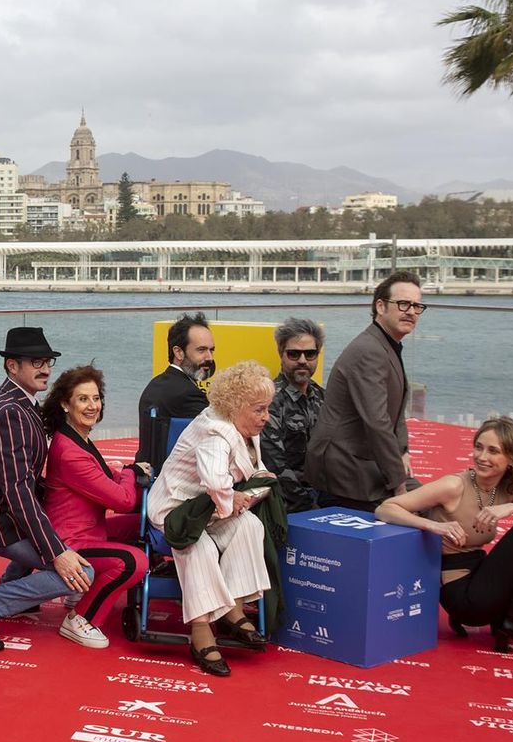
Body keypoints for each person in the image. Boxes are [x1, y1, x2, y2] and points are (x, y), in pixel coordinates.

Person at [375, 417, 513, 658]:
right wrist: (432, 526)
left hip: (485, 577)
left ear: (512, 459)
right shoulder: (454, 486)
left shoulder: (508, 488)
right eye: (479, 447)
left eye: (493, 451)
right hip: (462, 593)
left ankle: (508, 622)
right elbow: (386, 508)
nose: (482, 457)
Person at [0, 327, 98, 653]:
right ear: (12, 366)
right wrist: (57, 553)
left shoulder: (21, 401)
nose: (45, 369)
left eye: (47, 361)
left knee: (57, 537)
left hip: (1, 511)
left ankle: (15, 587)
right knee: (79, 571)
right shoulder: (10, 411)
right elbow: (17, 490)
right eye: (35, 362)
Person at [147, 361, 276, 677]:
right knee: (199, 546)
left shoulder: (244, 426)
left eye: (267, 408)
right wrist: (238, 497)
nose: (266, 417)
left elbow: (253, 467)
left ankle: (233, 609)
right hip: (177, 508)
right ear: (236, 406)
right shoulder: (216, 431)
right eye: (260, 409)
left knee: (250, 525)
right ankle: (201, 628)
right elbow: (217, 483)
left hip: (211, 508)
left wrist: (260, 480)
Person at [40, 365, 148, 647]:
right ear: (65, 404)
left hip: (90, 530)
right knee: (133, 562)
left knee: (142, 524)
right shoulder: (69, 450)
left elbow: (104, 475)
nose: (92, 406)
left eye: (96, 398)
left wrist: (128, 474)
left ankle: (82, 591)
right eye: (83, 399)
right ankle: (80, 619)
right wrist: (131, 472)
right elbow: (123, 501)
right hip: (71, 542)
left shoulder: (77, 436)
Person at [306, 271, 424, 510]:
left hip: (368, 462)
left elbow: (396, 412)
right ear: (380, 306)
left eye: (417, 306)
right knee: (420, 511)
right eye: (403, 304)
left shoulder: (386, 344)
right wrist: (399, 483)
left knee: (436, 503)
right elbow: (377, 422)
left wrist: (402, 452)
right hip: (345, 469)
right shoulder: (369, 350)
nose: (411, 312)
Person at [262, 316, 327, 514]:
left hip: (324, 495)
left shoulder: (323, 397)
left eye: (310, 354)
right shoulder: (268, 401)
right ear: (281, 354)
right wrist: (310, 505)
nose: (302, 361)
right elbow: (274, 463)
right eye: (294, 354)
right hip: (287, 502)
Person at [134, 313, 215, 472]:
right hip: (172, 478)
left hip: (147, 475)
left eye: (211, 350)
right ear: (178, 352)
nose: (209, 358)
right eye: (201, 350)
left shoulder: (155, 383)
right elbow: (218, 436)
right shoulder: (188, 393)